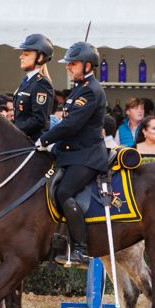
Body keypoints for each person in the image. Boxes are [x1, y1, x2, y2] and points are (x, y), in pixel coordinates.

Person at [35, 42, 108, 267]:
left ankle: (80, 250)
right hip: (70, 153)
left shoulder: (91, 90)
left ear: (88, 65)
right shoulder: (78, 87)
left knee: (64, 191)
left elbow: (72, 125)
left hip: (86, 156)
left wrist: (45, 139)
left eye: (73, 64)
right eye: (68, 63)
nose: (68, 67)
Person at [11, 34, 57, 141]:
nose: (21, 57)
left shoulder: (42, 83)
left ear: (40, 57)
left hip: (32, 142)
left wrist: (13, 129)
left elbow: (39, 120)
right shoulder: (27, 80)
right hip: (21, 138)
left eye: (26, 54)